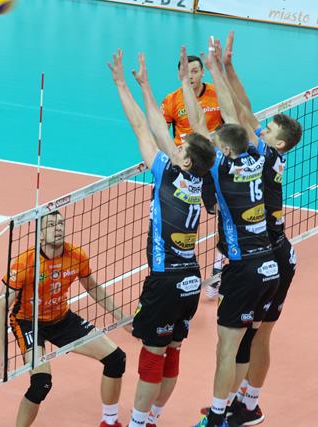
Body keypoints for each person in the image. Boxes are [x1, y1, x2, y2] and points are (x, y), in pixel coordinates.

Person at [108, 49, 216, 427]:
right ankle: (152, 418)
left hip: (166, 281)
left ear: (184, 160)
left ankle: (138, 423)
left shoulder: (168, 175)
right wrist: (146, 86)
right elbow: (161, 129)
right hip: (190, 280)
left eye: (181, 146)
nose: (176, 144)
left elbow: (143, 126)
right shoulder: (199, 177)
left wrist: (122, 84)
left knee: (152, 357)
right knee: (173, 352)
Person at [182, 39, 280, 427]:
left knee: (226, 347)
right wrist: (215, 68)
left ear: (223, 149)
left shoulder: (220, 171)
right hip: (269, 267)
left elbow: (198, 123)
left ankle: (218, 418)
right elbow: (233, 112)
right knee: (241, 343)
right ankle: (232, 409)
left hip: (243, 269)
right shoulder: (258, 154)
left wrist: (191, 82)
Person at [217, 31, 302, 426]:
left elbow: (238, 113)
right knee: (255, 334)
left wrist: (221, 70)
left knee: (255, 335)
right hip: (276, 250)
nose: (261, 129)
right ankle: (244, 402)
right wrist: (229, 67)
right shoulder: (272, 153)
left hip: (270, 254)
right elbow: (247, 108)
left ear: (279, 143)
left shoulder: (265, 153)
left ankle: (244, 406)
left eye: (268, 130)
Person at [0, 211, 127, 427]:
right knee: (41, 384)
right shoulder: (25, 263)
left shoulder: (76, 256)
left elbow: (92, 287)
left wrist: (122, 317)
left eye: (61, 223)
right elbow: (0, 308)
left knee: (116, 359)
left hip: (62, 319)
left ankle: (109, 422)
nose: (58, 228)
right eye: (51, 224)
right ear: (40, 235)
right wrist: (0, 352)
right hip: (29, 322)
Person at [161, 52, 225, 298]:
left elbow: (230, 125)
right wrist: (172, 155)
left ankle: (218, 270)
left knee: (222, 214)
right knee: (179, 220)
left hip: (211, 163)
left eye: (196, 71)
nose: (191, 76)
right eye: (187, 72)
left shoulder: (216, 95)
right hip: (184, 167)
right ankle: (178, 269)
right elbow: (161, 130)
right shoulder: (171, 100)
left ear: (202, 72)